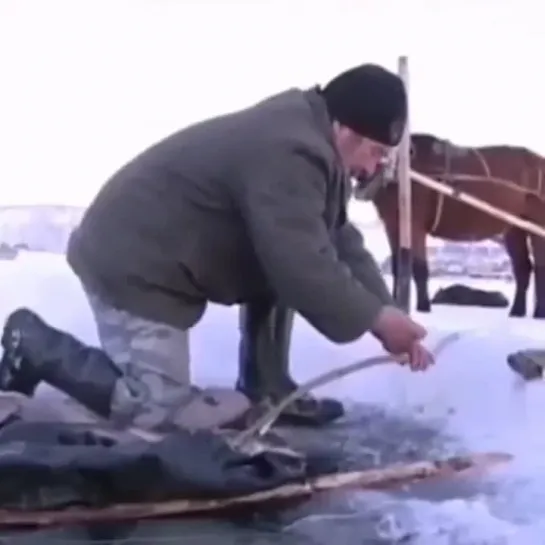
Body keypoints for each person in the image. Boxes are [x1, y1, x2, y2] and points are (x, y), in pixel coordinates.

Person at [0, 63, 434, 433]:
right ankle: (35, 344)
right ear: (346, 130)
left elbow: (337, 238)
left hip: (168, 252)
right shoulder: (291, 150)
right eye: (377, 152)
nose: (375, 167)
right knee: (156, 412)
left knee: (289, 249)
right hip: (134, 260)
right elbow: (303, 264)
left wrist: (387, 312)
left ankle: (267, 387)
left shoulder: (318, 142)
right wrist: (375, 319)